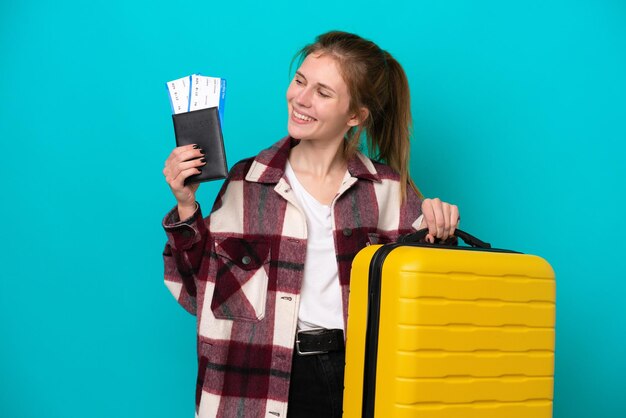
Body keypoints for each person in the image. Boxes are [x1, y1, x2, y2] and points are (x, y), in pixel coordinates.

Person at [162, 31, 460, 418]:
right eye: (300, 81)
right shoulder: (244, 182)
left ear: (355, 115)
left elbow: (431, 312)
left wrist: (440, 237)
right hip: (256, 378)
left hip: (358, 377)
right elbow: (194, 294)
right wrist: (187, 207)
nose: (300, 99)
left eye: (323, 92)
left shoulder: (390, 192)